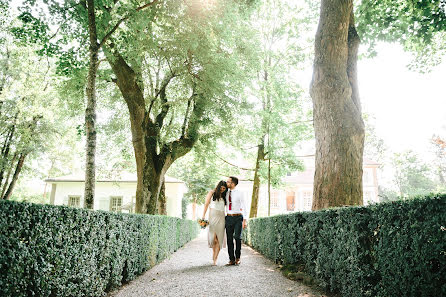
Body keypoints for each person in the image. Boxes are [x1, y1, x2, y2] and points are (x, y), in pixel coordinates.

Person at [202, 180, 228, 265]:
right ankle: (214, 256)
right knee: (214, 238)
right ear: (218, 186)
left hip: (221, 217)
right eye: (221, 188)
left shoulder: (225, 195)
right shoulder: (211, 192)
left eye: (224, 188)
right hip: (212, 216)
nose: (222, 190)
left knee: (219, 238)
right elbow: (206, 204)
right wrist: (203, 216)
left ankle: (215, 259)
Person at [225, 176, 247, 266]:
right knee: (229, 239)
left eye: (228, 182)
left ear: (233, 183)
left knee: (237, 237)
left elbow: (244, 205)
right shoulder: (225, 193)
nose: (227, 183)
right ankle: (231, 259)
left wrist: (245, 220)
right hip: (229, 218)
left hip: (238, 217)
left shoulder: (240, 193)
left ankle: (238, 257)